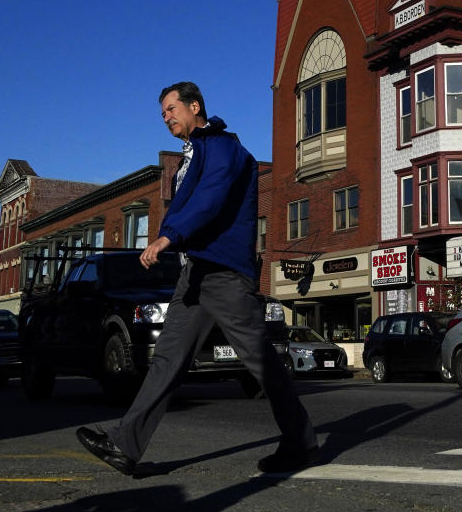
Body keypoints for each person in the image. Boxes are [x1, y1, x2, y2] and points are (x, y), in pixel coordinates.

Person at [75, 81, 319, 475]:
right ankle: (125, 444)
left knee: (260, 360)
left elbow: (211, 198)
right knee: (167, 359)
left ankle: (301, 442)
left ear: (194, 106)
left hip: (223, 272)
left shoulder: (224, 148)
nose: (166, 117)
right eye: (162, 113)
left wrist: (170, 236)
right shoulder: (195, 154)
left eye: (171, 108)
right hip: (196, 273)